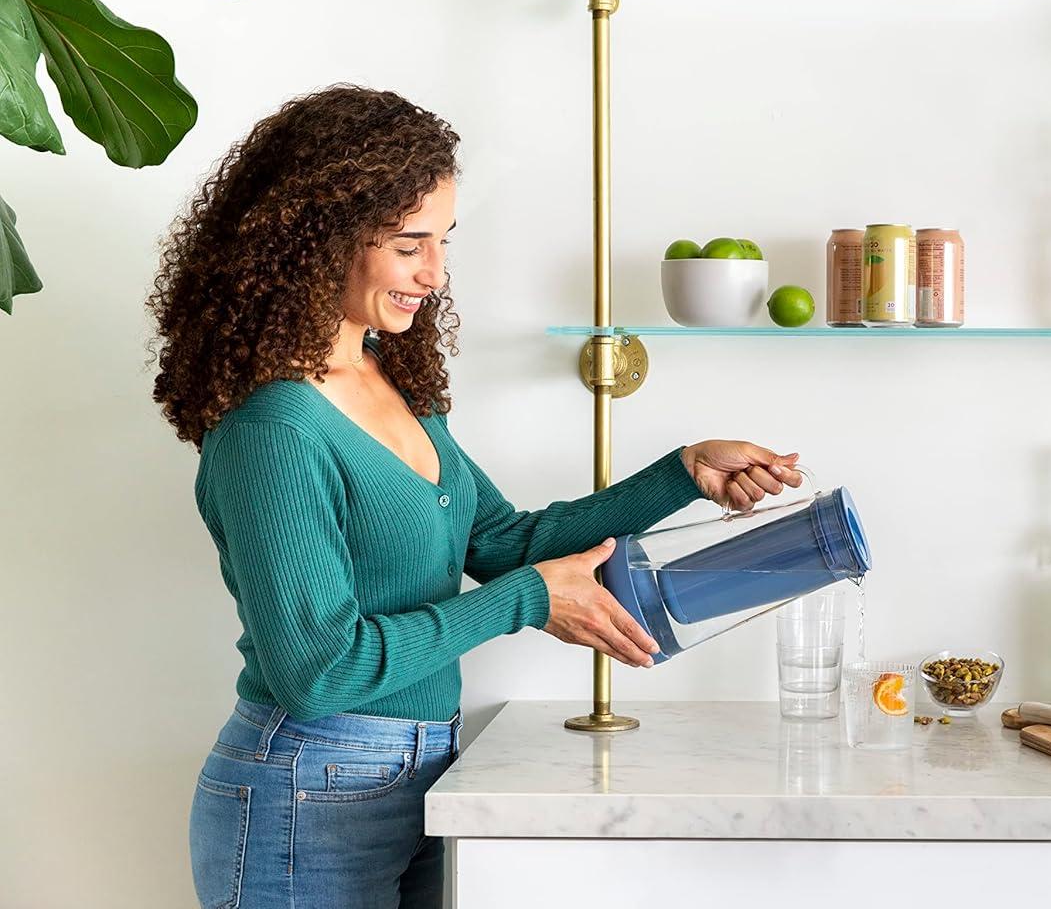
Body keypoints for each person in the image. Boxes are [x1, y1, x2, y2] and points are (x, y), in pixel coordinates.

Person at [147, 85, 800, 908]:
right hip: (304, 789)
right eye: (409, 244)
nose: (434, 273)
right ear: (316, 239)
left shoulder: (390, 380)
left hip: (423, 767)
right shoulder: (271, 429)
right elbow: (318, 669)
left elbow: (500, 543)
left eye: (443, 242)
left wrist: (680, 474)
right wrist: (528, 602)